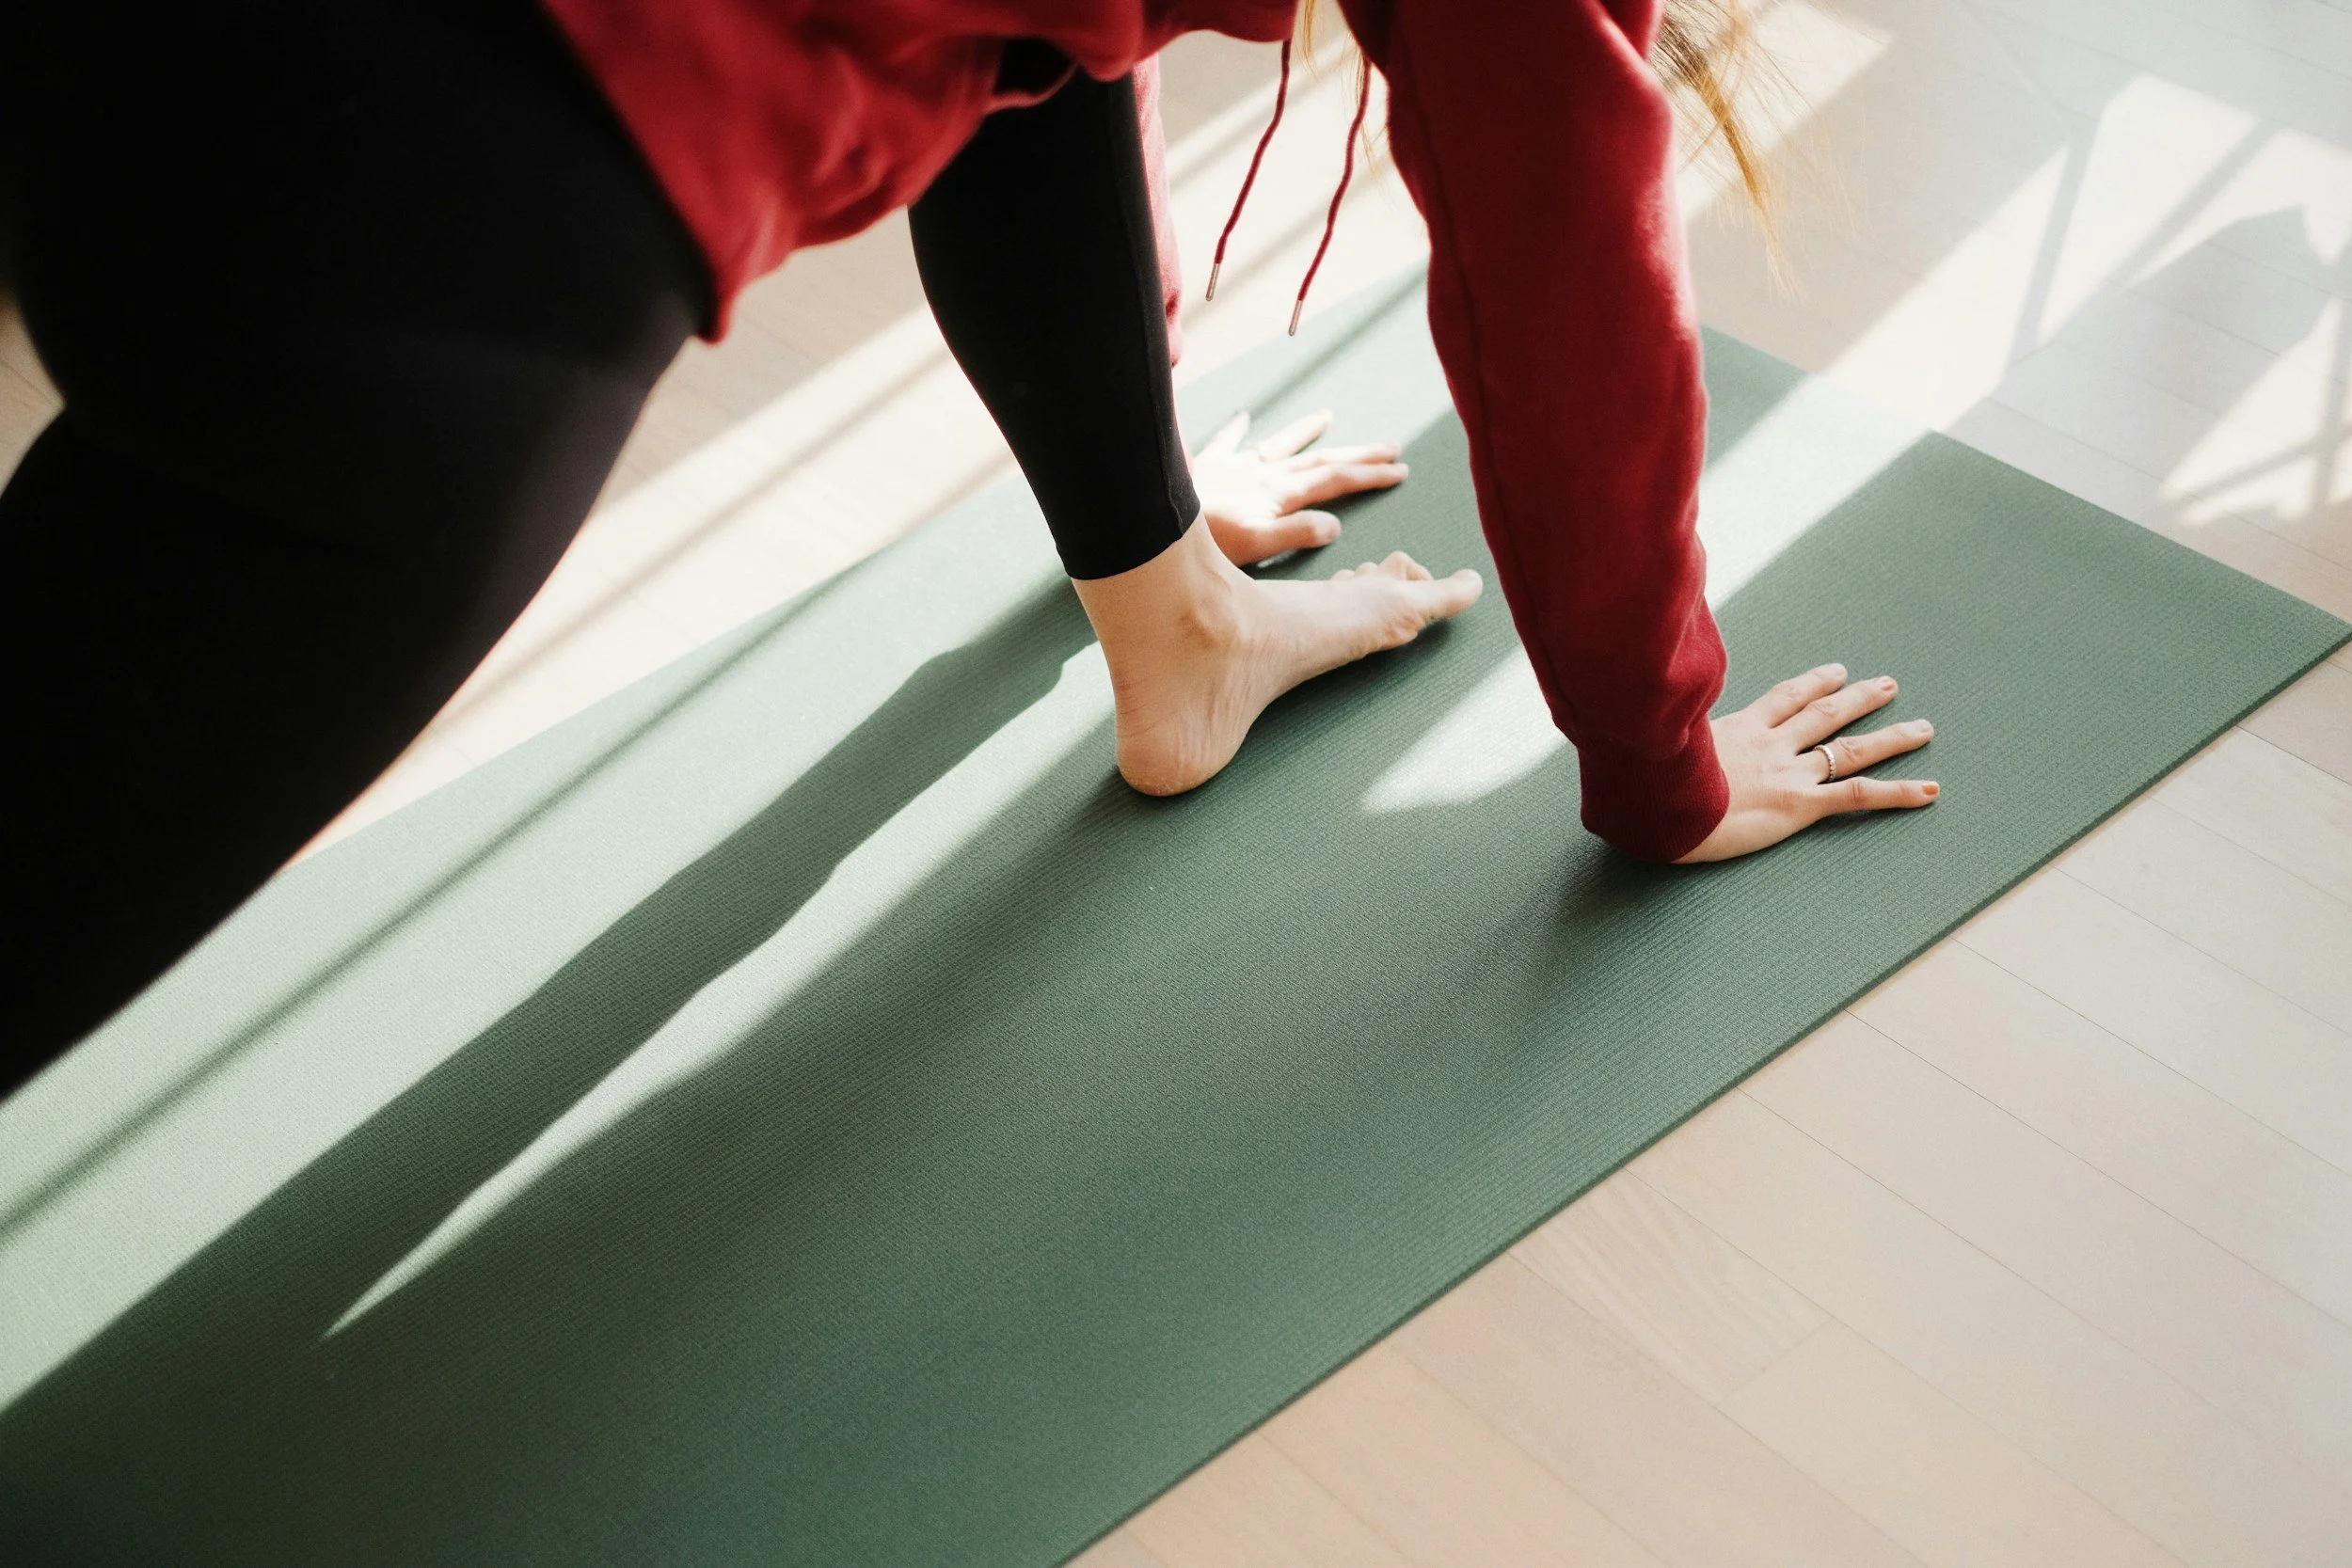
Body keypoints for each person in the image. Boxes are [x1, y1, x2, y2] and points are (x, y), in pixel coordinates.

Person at [0, 0, 1931, 1088]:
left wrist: (1145, 508)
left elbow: (1043, 62)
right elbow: (1562, 275)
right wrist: (1656, 754)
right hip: (423, 248)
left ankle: (1172, 622)